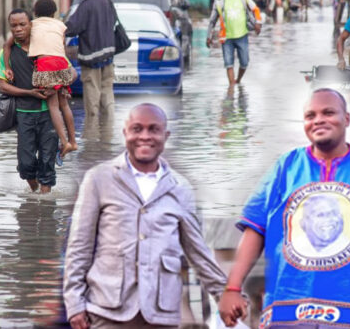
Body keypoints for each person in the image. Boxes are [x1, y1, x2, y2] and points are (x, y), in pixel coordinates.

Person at [218, 89, 350, 329]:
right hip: (287, 310)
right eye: (310, 115)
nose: (318, 120)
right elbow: (255, 229)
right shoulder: (285, 167)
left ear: (346, 119)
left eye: (328, 112)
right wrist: (232, 288)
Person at [63, 103, 236, 328]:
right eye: (137, 129)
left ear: (166, 135)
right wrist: (74, 303)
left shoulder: (180, 188)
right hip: (107, 309)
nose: (145, 136)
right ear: (125, 133)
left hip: (161, 312)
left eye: (153, 129)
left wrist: (224, 293)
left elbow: (198, 252)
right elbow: (79, 247)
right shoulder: (99, 178)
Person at [0, 9, 75, 194]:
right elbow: (3, 87)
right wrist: (30, 92)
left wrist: (61, 85)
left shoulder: (48, 48)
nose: (18, 29)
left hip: (49, 116)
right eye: (14, 26)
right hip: (24, 115)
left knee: (47, 162)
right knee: (25, 164)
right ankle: (34, 193)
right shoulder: (8, 54)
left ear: (32, 25)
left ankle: (44, 203)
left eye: (23, 24)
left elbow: (72, 72)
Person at [3, 0, 77, 160]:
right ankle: (73, 140)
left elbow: (7, 45)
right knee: (64, 103)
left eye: (22, 24)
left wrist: (8, 68)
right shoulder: (60, 25)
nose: (19, 28)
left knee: (53, 106)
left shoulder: (34, 25)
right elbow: (62, 48)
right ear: (54, 13)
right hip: (62, 63)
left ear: (34, 15)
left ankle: (64, 142)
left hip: (46, 64)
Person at [65, 0, 117, 120]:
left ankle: (92, 125)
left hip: (92, 56)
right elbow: (113, 20)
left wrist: (58, 29)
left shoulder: (86, 5)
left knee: (91, 89)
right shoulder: (106, 0)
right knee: (107, 89)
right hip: (108, 54)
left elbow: (73, 27)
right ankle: (109, 123)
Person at [206, 0, 262, 85]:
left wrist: (258, 23)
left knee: (245, 62)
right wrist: (209, 36)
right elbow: (212, 21)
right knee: (228, 64)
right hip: (227, 38)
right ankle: (231, 89)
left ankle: (238, 81)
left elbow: (255, 9)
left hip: (242, 36)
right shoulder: (219, 2)